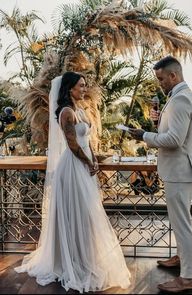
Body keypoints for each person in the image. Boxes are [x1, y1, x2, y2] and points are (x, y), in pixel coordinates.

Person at [14, 72, 131, 292]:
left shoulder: (80, 109)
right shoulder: (67, 113)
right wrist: (88, 162)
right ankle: (71, 260)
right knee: (77, 212)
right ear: (69, 89)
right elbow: (72, 144)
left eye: (85, 85)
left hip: (84, 163)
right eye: (81, 86)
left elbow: (86, 141)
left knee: (86, 213)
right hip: (73, 167)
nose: (84, 89)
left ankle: (83, 255)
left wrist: (94, 158)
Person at [128, 56, 192, 293]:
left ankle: (188, 278)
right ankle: (180, 259)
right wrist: (157, 124)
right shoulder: (179, 97)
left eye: (161, 79)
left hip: (179, 172)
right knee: (179, 224)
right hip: (176, 171)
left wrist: (144, 136)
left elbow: (174, 141)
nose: (159, 84)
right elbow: (171, 131)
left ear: (173, 76)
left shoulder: (179, 100)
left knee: (183, 225)